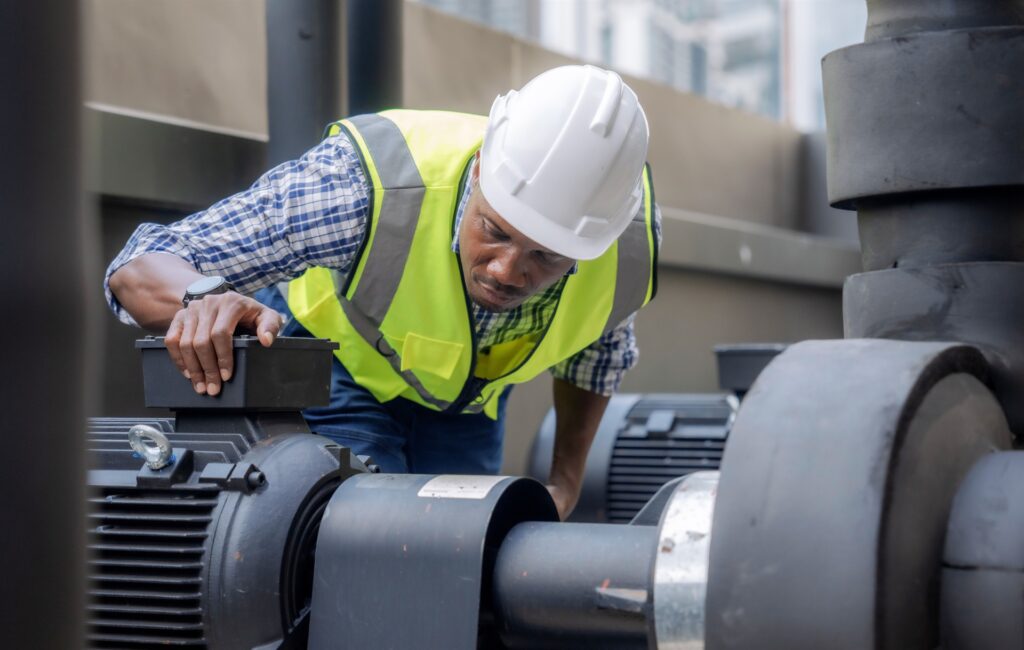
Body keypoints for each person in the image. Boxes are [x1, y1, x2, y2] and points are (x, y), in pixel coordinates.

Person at [106, 64, 660, 520]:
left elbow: (597, 354)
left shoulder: (625, 251)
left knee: (460, 553)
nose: (508, 271)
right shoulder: (366, 185)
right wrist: (201, 297)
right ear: (479, 171)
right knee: (361, 536)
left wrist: (565, 483)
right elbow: (136, 265)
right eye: (493, 230)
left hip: (463, 402)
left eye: (547, 256)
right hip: (337, 367)